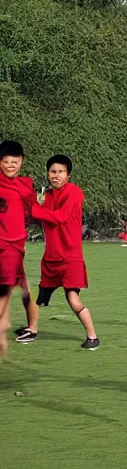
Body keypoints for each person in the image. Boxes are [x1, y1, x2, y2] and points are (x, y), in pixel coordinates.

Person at [30, 155, 100, 350]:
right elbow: (40, 218)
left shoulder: (74, 192)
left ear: (68, 175)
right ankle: (31, 330)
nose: (56, 176)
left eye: (60, 172)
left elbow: (59, 217)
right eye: (53, 172)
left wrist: (33, 207)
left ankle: (92, 336)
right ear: (48, 174)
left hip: (70, 259)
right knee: (39, 296)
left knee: (73, 299)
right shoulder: (48, 196)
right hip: (51, 259)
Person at [0, 141, 37, 358]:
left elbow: (32, 213)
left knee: (13, 288)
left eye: (15, 161)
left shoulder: (25, 187)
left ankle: (26, 327)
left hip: (14, 246)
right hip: (5, 245)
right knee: (18, 287)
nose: (11, 165)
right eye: (6, 162)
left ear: (21, 162)